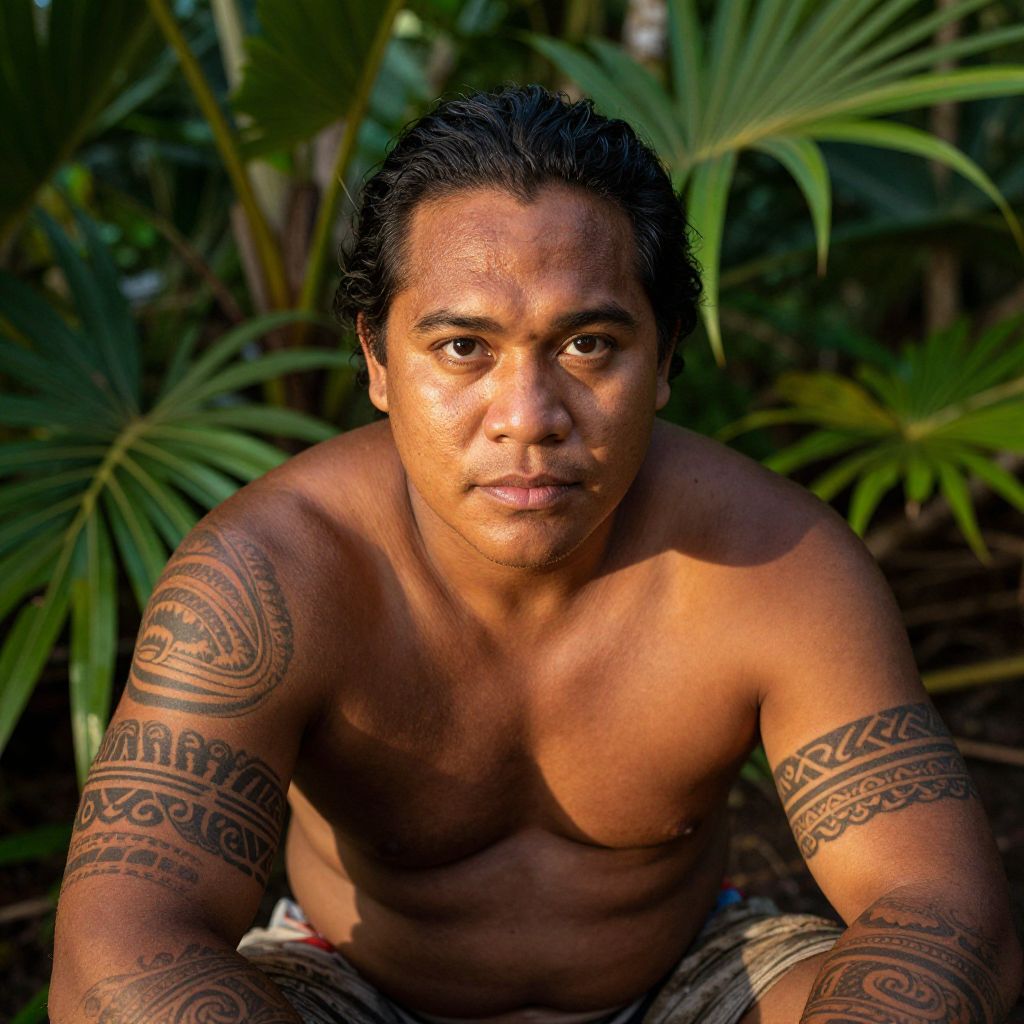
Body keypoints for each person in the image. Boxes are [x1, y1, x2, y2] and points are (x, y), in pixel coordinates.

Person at [51, 85, 1021, 1024]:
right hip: (350, 987)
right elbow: (118, 944)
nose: (527, 418)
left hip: (684, 978)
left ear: (665, 355)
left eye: (588, 345)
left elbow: (940, 908)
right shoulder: (268, 578)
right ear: (378, 358)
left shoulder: (775, 563)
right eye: (462, 348)